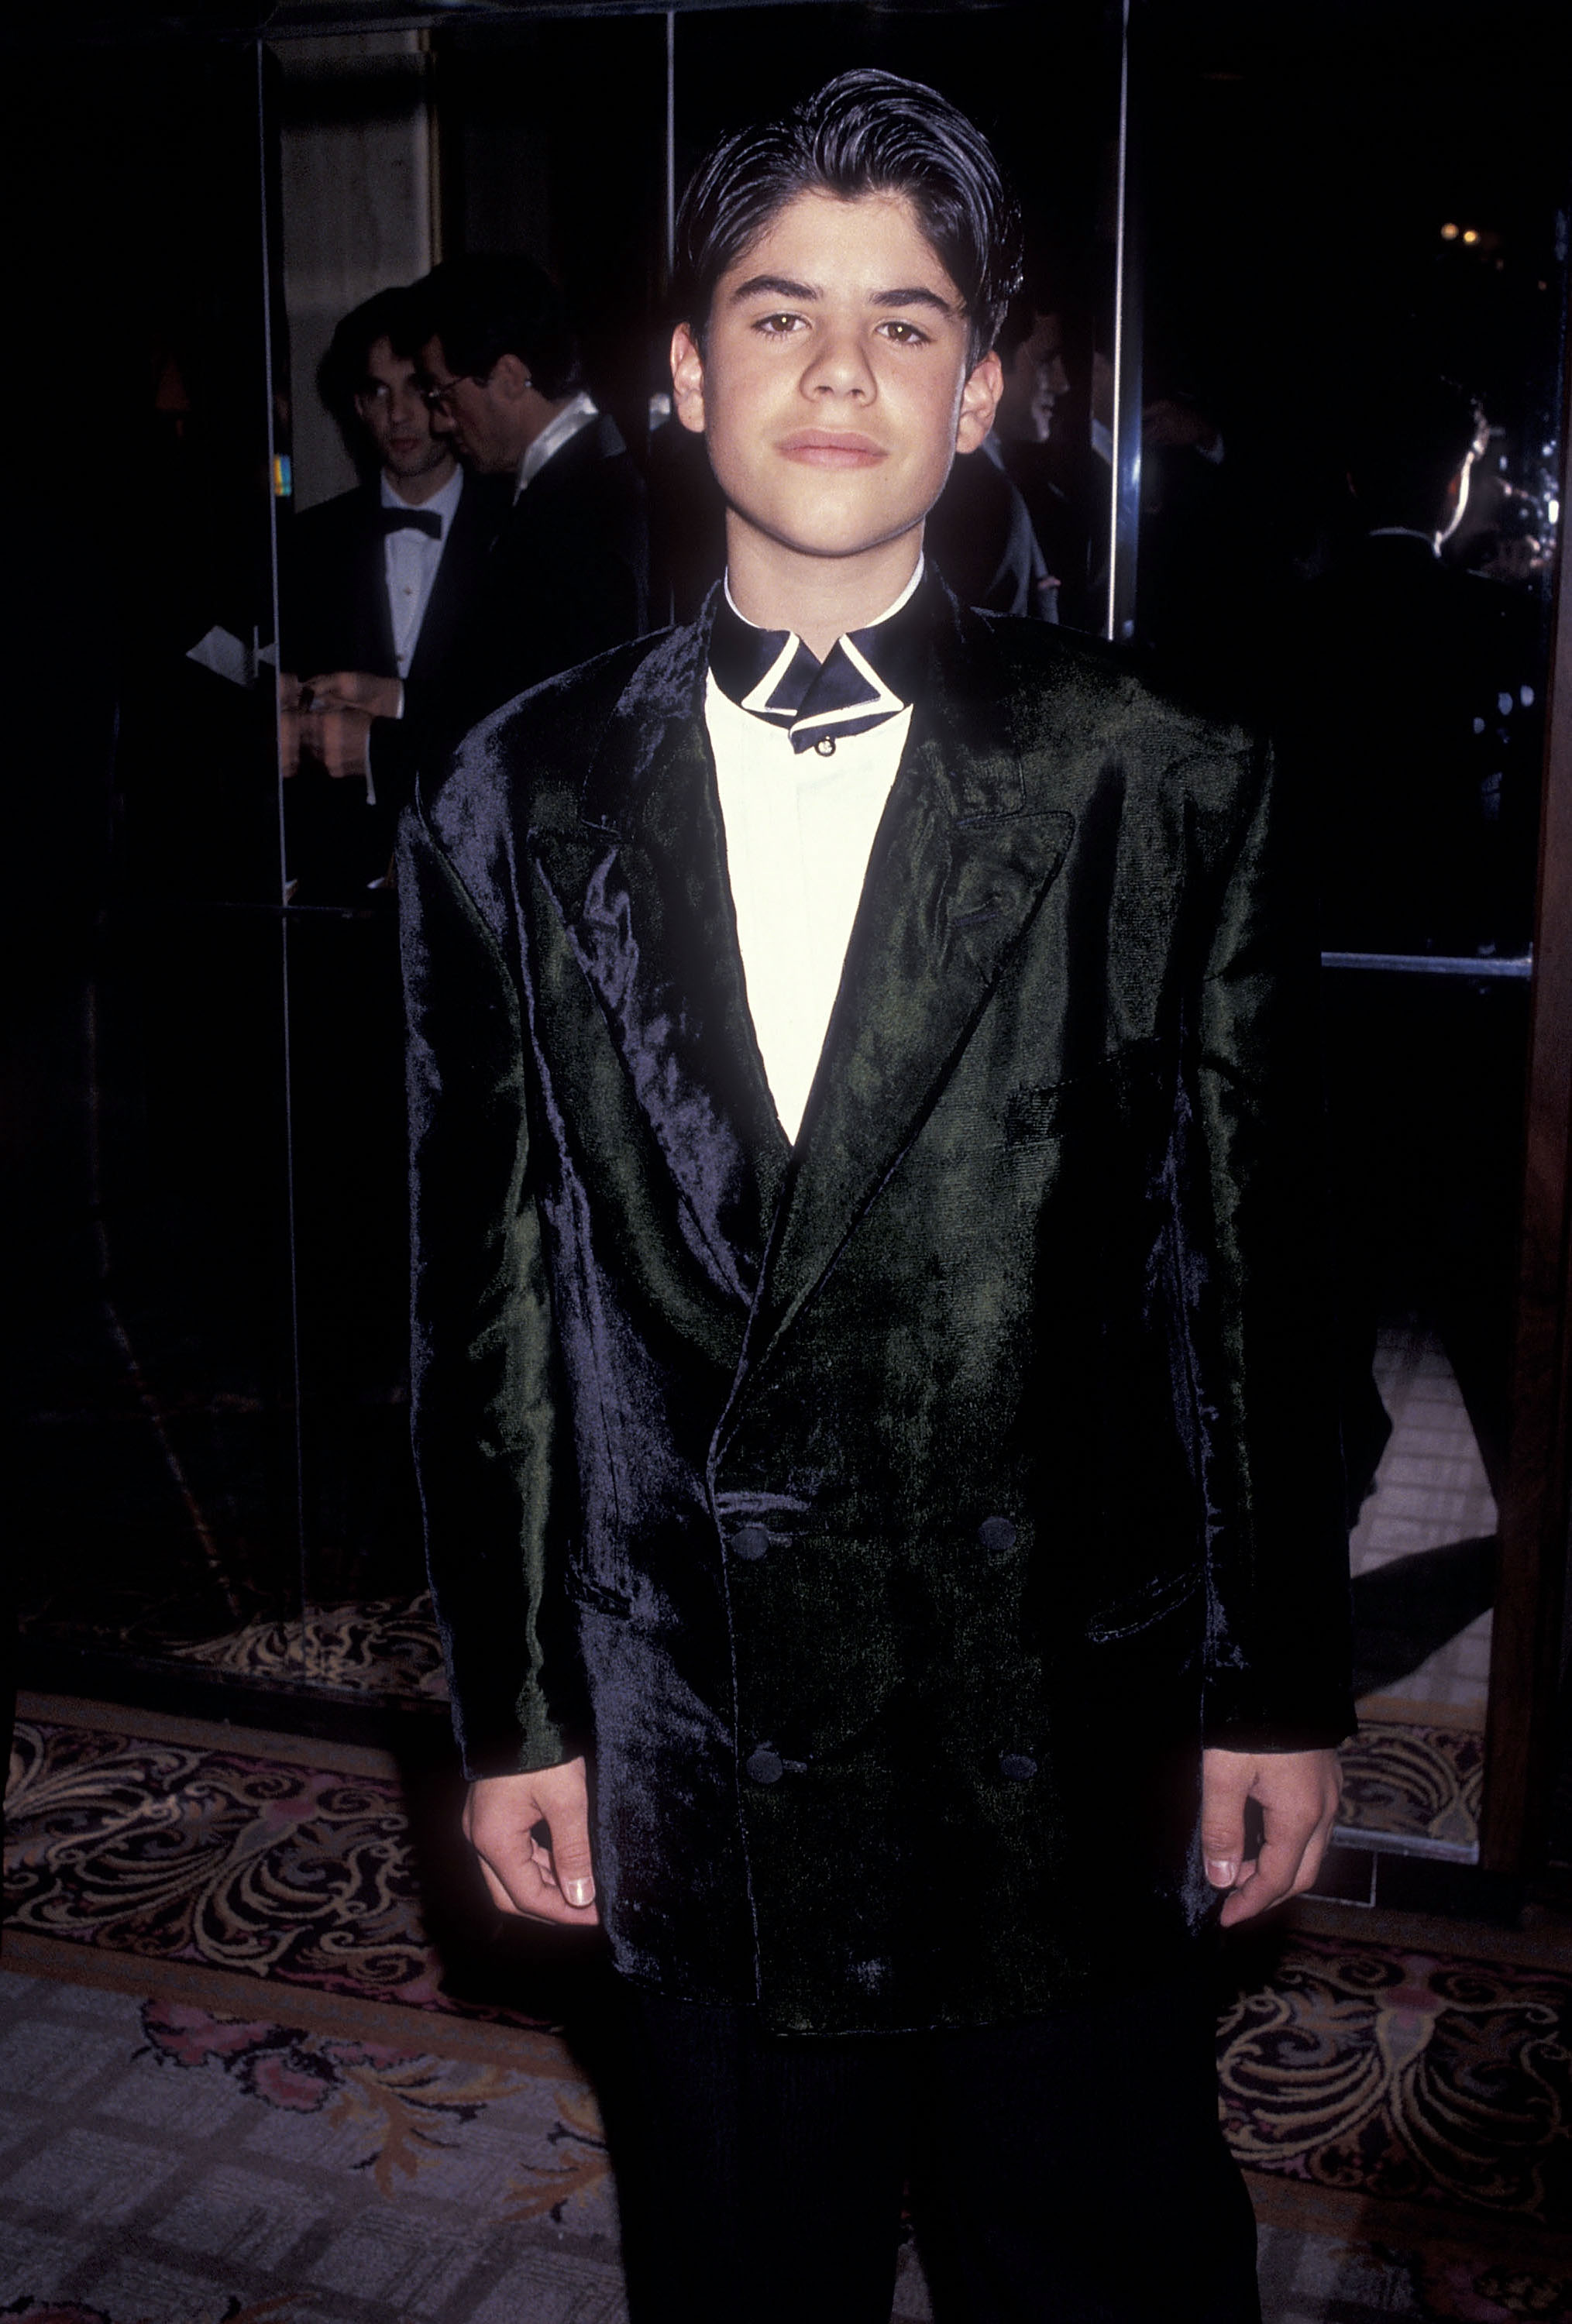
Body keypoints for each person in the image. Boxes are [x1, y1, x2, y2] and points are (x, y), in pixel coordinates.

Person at [401, 70, 1350, 2324]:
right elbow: (491, 1292)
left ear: (986, 386)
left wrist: (1277, 1677)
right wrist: (520, 1704)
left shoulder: (1159, 771)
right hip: (694, 1724)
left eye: (905, 322)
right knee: (742, 2265)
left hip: (1057, 1714)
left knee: (1094, 2248)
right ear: (683, 369)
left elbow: (1254, 1273)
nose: (839, 370)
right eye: (779, 311)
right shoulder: (509, 792)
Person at [298, 257, 649, 806]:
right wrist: (396, 699)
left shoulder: (578, 511)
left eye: (441, 394)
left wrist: (376, 751)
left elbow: (553, 749)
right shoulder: (575, 486)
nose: (438, 420)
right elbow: (518, 690)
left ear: (509, 378)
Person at [280, 289, 511, 899]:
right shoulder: (306, 543)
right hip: (338, 890)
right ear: (357, 405)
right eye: (378, 392)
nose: (400, 415)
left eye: (415, 388)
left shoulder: (517, 530)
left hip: (478, 879)